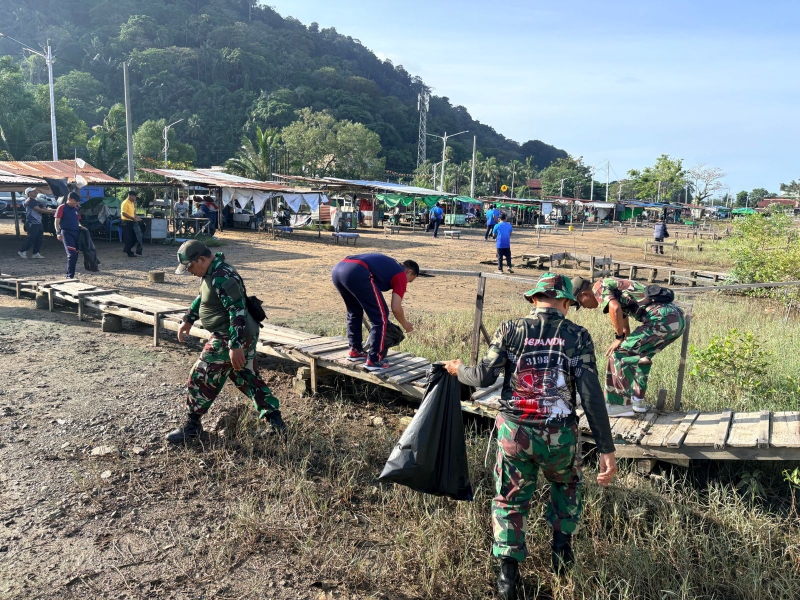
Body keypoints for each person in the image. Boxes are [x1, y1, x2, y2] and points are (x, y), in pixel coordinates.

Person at [441, 273, 616, 599]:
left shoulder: (510, 329)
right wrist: (607, 448)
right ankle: (562, 560)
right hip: (559, 437)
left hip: (515, 433)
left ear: (534, 299)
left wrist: (456, 369)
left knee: (509, 499)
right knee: (565, 487)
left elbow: (481, 377)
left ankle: (508, 579)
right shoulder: (577, 335)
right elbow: (591, 395)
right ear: (567, 303)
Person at [166, 240, 285, 443]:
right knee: (246, 377)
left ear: (201, 259)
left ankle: (192, 426)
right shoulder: (211, 273)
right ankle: (277, 423)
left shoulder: (223, 276)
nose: (189, 272)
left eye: (190, 267)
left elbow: (236, 311)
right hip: (234, 335)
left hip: (230, 335)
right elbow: (203, 297)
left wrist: (235, 345)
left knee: (200, 374)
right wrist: (189, 318)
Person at [571, 276, 686, 417]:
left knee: (619, 354)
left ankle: (618, 405)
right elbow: (623, 312)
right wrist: (625, 333)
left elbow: (615, 307)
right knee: (641, 356)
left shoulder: (598, 287)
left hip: (661, 319)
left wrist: (618, 338)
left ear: (584, 294)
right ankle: (638, 401)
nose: (584, 307)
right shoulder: (611, 283)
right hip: (676, 320)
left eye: (581, 304)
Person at [331, 253, 419, 371]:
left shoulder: (390, 266)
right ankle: (374, 360)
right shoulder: (401, 274)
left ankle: (355, 351)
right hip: (357, 271)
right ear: (409, 272)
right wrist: (405, 324)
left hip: (339, 269)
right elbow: (396, 308)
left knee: (354, 312)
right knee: (380, 318)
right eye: (410, 281)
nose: (406, 283)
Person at [18, 187, 54, 259]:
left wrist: (56, 210)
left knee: (39, 238)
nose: (36, 192)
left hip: (38, 222)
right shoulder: (30, 201)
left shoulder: (36, 201)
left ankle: (36, 252)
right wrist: (51, 212)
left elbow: (44, 208)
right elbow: (38, 209)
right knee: (31, 237)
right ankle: (22, 251)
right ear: (29, 193)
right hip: (32, 222)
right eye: (33, 191)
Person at [54, 192, 83, 279]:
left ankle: (71, 274)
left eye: (77, 202)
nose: (76, 203)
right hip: (66, 233)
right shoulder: (61, 208)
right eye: (75, 201)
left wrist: (81, 227)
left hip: (76, 233)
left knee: (76, 254)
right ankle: (69, 276)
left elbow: (78, 221)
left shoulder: (76, 209)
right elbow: (57, 221)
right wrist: (58, 232)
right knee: (71, 254)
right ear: (69, 199)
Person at [120, 190, 142, 257]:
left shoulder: (132, 203)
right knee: (128, 238)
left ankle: (126, 248)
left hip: (132, 222)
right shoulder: (125, 203)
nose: (135, 198)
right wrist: (133, 218)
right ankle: (129, 252)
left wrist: (137, 218)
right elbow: (124, 213)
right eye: (135, 197)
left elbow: (133, 213)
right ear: (131, 196)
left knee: (135, 237)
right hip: (126, 222)